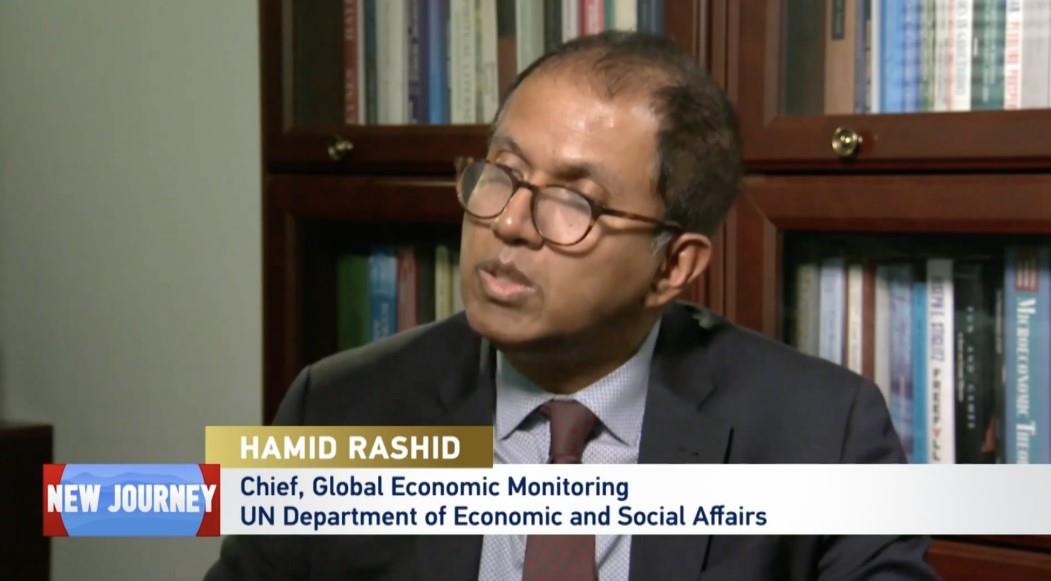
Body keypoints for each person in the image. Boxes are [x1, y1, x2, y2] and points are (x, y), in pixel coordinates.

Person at [207, 31, 938, 580]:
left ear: (672, 266)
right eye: (502, 172)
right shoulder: (340, 408)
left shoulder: (820, 432)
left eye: (574, 200)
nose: (509, 222)